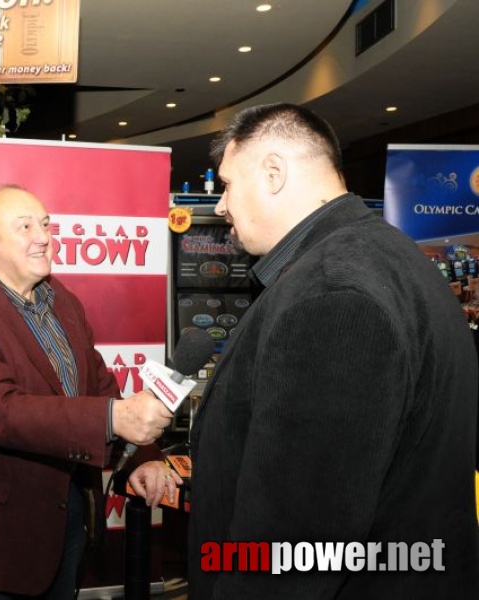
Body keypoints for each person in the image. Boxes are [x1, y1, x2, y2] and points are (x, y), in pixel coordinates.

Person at [130, 103, 479, 598]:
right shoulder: (391, 254)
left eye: (228, 184)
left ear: (273, 173)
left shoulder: (331, 296)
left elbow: (292, 547)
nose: (222, 205)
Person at [0, 184, 173, 599]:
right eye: (24, 226)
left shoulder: (62, 302)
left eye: (44, 224)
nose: (42, 236)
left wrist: (141, 456)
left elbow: (97, 381)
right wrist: (114, 418)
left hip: (66, 522)